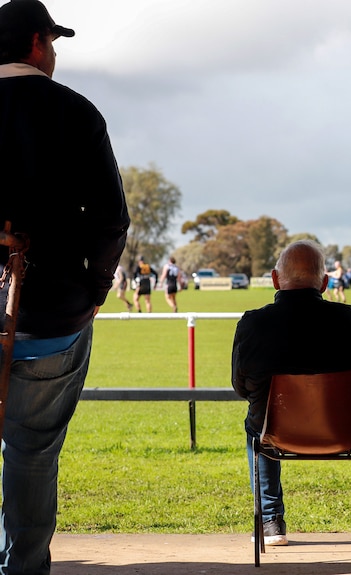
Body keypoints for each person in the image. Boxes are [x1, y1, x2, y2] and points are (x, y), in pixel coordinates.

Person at [0, 1, 129, 571]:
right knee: (31, 455)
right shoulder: (75, 111)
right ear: (36, 43)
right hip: (50, 318)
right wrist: (96, 292)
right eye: (53, 43)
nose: (54, 54)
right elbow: (110, 220)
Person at [231, 240, 351, 547]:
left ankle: (270, 521)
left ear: (275, 279)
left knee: (256, 422)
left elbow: (242, 387)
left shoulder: (252, 324)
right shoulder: (346, 319)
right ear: (324, 282)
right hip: (344, 429)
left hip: (276, 429)